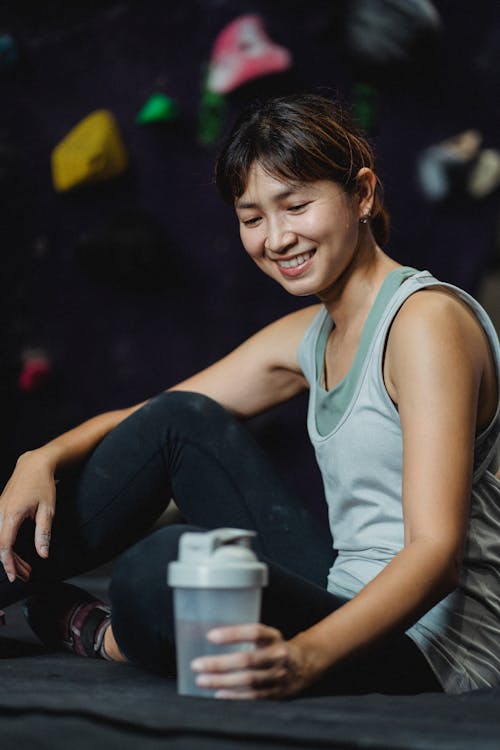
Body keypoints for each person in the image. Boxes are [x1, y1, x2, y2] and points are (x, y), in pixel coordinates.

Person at [1, 93, 499, 699]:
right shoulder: (312, 334)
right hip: (343, 598)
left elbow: (436, 554)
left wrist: (303, 658)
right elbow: (157, 418)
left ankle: (110, 637)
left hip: (429, 650)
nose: (278, 238)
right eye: (252, 217)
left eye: (296, 205)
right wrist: (42, 456)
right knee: (180, 424)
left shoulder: (426, 324)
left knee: (166, 567)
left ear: (362, 193)